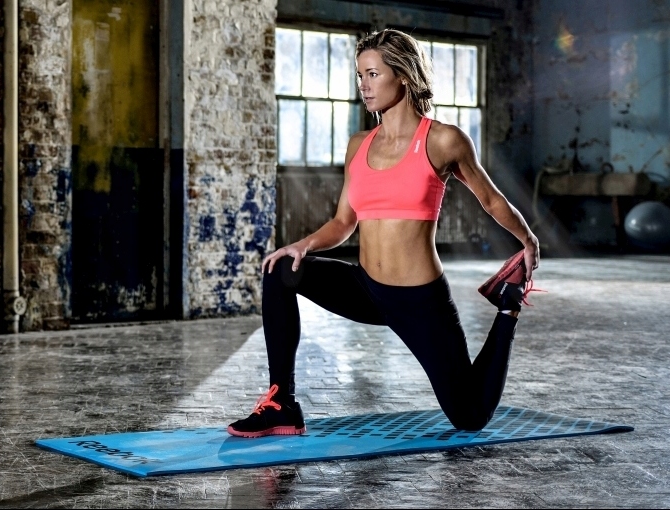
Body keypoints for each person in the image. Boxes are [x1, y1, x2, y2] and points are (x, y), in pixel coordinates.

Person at [228, 29, 540, 437]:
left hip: (418, 300)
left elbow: (491, 200)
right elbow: (343, 222)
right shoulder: (359, 145)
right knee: (279, 270)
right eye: (360, 75)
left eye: (373, 74)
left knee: (469, 417)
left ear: (403, 76)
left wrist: (528, 240)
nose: (364, 85)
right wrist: (302, 245)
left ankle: (507, 308)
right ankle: (282, 404)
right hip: (366, 288)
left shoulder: (443, 140)